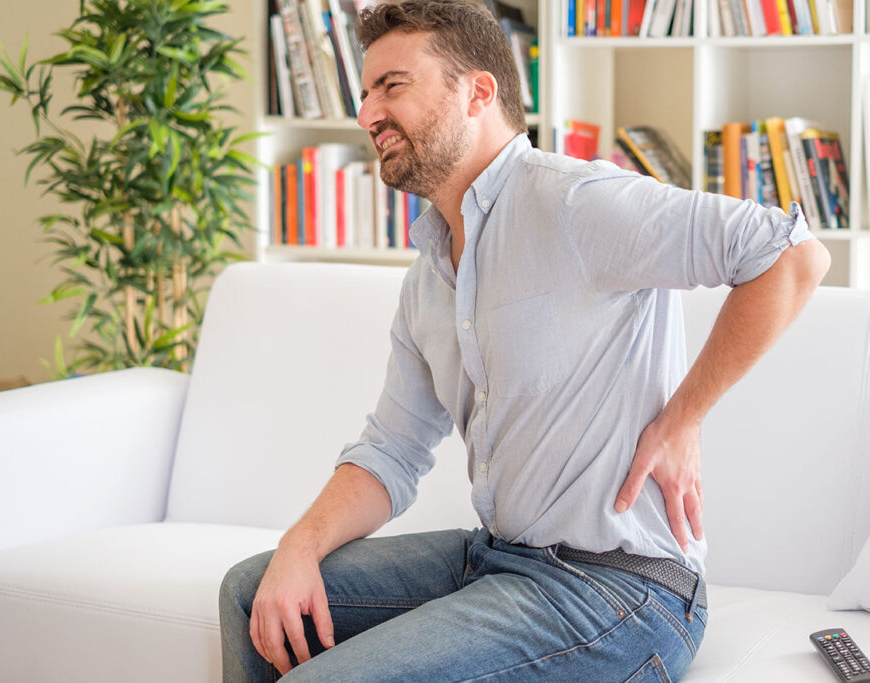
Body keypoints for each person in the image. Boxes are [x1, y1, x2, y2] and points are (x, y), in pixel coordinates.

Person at [219, 1, 831, 680]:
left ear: (478, 92)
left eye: (392, 86)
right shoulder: (429, 277)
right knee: (252, 591)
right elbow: (392, 449)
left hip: (619, 590)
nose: (368, 114)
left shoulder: (577, 201)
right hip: (499, 559)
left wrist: (684, 416)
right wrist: (300, 545)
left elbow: (792, 256)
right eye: (365, 94)